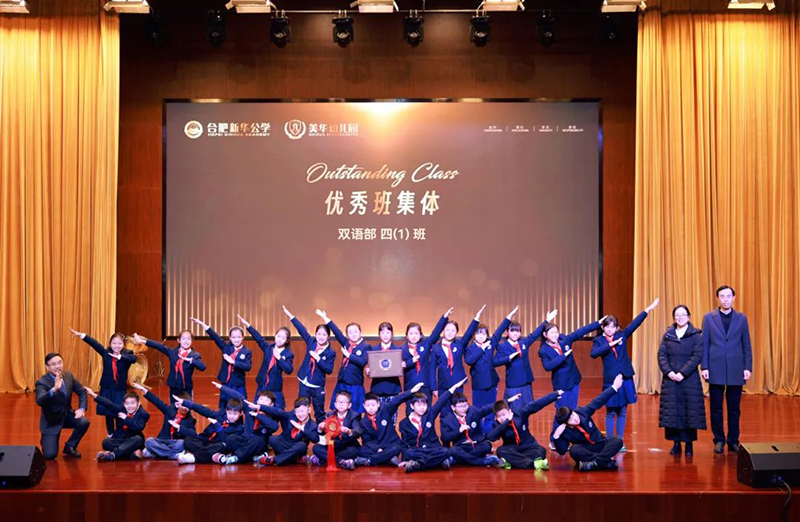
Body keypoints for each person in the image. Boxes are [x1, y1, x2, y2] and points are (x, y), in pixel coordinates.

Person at [590, 297, 659, 450]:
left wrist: (648, 309)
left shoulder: (622, 335)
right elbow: (593, 354)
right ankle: (609, 441)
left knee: (622, 411)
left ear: (616, 328)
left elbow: (635, 324)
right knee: (610, 412)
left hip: (625, 377)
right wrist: (610, 345)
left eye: (613, 327)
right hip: (611, 380)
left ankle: (619, 441)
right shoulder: (599, 341)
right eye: (607, 327)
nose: (610, 329)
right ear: (603, 327)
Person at [701, 285, 753, 453]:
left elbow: (746, 344)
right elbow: (704, 344)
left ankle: (733, 440)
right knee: (715, 407)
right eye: (722, 296)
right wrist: (704, 366)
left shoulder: (741, 318)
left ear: (733, 298)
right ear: (718, 298)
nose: (725, 299)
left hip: (736, 368)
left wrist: (747, 367)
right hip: (715, 367)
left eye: (728, 296)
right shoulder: (708, 318)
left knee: (734, 408)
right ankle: (718, 440)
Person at [658, 305, 706, 457]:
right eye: (677, 315)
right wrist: (669, 372)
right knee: (673, 412)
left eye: (683, 315)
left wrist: (682, 373)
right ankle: (676, 443)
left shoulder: (696, 335)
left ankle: (689, 444)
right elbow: (661, 355)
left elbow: (697, 356)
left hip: (689, 379)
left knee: (690, 412)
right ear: (674, 317)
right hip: (671, 379)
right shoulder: (668, 335)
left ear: (689, 317)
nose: (680, 317)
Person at [551, 374, 625, 471]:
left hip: (600, 445)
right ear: (566, 423)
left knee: (618, 440)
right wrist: (556, 437)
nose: (575, 418)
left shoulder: (582, 412)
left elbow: (598, 401)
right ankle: (604, 462)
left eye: (573, 415)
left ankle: (594, 464)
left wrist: (614, 387)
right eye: (570, 420)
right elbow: (562, 451)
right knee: (574, 450)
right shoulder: (564, 430)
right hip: (586, 451)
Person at [70, 328, 136, 435]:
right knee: (108, 414)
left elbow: (133, 359)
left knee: (120, 413)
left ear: (124, 344)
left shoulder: (127, 354)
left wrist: (119, 357)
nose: (117, 346)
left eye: (119, 343)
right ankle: (110, 435)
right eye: (114, 343)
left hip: (119, 390)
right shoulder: (106, 353)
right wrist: (82, 335)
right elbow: (95, 344)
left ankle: (119, 435)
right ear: (110, 344)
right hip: (107, 389)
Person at [493, 307, 558, 404]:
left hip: (527, 382)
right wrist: (508, 358)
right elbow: (494, 362)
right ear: (507, 332)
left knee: (527, 409)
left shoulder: (523, 342)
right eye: (512, 331)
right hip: (514, 384)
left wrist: (547, 320)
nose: (515, 333)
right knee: (514, 409)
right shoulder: (503, 346)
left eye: (518, 331)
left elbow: (535, 334)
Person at [284, 306, 337, 424]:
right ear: (315, 335)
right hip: (304, 381)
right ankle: (303, 430)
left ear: (328, 337)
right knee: (302, 408)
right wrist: (291, 317)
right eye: (319, 334)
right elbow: (302, 330)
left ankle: (320, 433)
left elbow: (329, 369)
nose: (321, 337)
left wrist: (318, 359)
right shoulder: (311, 342)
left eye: (324, 335)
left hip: (317, 385)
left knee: (319, 412)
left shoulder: (330, 352)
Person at [34, 353, 90, 459]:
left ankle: (70, 446)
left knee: (83, 422)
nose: (57, 366)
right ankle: (46, 439)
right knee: (50, 455)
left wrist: (81, 408)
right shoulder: (41, 382)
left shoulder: (68, 376)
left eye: (59, 363)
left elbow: (82, 391)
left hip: (66, 415)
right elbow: (40, 401)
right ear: (47, 367)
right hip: (51, 421)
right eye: (53, 364)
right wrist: (54, 389)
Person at [190, 317, 253, 409]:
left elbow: (248, 366)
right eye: (234, 337)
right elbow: (215, 336)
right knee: (223, 405)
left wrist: (233, 362)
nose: (236, 339)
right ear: (230, 338)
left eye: (239, 337)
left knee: (241, 405)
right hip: (226, 382)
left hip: (238, 383)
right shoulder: (226, 348)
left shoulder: (247, 351)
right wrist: (202, 324)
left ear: (243, 337)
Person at [133, 330, 205, 404]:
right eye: (183, 339)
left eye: (188, 339)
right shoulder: (173, 352)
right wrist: (142, 341)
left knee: (187, 408)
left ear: (192, 341)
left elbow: (202, 367)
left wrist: (191, 360)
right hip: (173, 387)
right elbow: (158, 345)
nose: (186, 341)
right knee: (173, 408)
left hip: (186, 388)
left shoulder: (195, 355)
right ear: (179, 340)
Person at [238, 314, 294, 409]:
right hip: (262, 383)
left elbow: (289, 370)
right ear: (275, 336)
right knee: (257, 407)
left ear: (287, 340)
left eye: (283, 338)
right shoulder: (269, 347)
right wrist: (248, 325)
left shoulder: (288, 354)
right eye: (278, 336)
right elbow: (259, 339)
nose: (280, 339)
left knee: (275, 410)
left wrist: (279, 358)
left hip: (274, 386)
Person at [86, 388, 150, 461]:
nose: (130, 406)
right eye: (127, 404)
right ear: (124, 404)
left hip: (134, 440)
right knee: (106, 442)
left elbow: (138, 427)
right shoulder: (122, 409)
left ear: (138, 403)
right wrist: (94, 395)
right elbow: (110, 404)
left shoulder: (143, 414)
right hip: (121, 440)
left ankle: (113, 455)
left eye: (132, 403)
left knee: (138, 439)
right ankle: (131, 453)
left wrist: (126, 418)